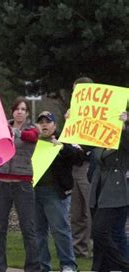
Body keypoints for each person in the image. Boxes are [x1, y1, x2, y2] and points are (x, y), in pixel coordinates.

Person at [0, 96, 41, 272]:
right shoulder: (0, 129)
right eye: (17, 109)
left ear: (27, 113)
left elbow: (32, 138)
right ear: (12, 112)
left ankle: (33, 271)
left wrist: (13, 132)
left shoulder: (31, 130)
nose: (19, 112)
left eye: (23, 109)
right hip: (1, 182)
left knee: (28, 229)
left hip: (23, 184)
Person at [34, 111, 79, 272]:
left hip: (55, 192)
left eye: (48, 121)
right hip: (35, 190)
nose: (44, 125)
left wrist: (62, 146)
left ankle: (68, 264)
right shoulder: (33, 141)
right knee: (38, 230)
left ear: (55, 125)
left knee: (60, 229)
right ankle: (42, 264)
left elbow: (78, 157)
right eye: (41, 122)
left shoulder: (63, 139)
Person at [89, 110, 129, 272]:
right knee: (100, 236)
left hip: (116, 190)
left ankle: (124, 267)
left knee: (101, 233)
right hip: (98, 190)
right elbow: (90, 151)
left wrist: (125, 127)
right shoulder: (100, 135)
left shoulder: (124, 135)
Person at [70, 77, 94, 258]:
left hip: (90, 167)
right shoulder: (72, 116)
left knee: (90, 209)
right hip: (75, 167)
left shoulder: (98, 117)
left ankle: (94, 247)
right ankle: (79, 249)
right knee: (77, 212)